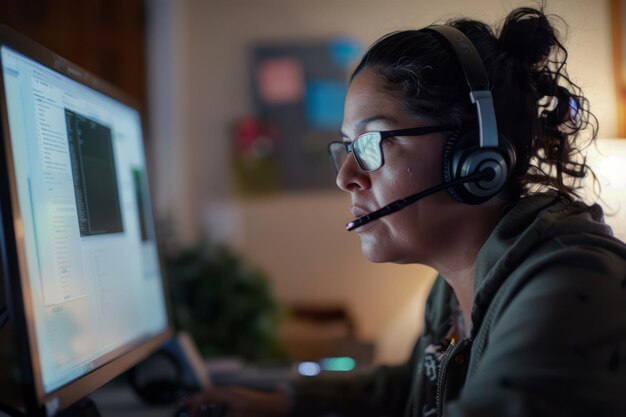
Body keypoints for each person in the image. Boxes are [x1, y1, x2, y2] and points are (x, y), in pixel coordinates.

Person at [185, 5, 626, 417]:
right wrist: (279, 402)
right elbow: (407, 390)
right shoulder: (449, 294)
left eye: (374, 141)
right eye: (349, 146)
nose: (347, 177)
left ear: (475, 158)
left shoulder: (571, 283)